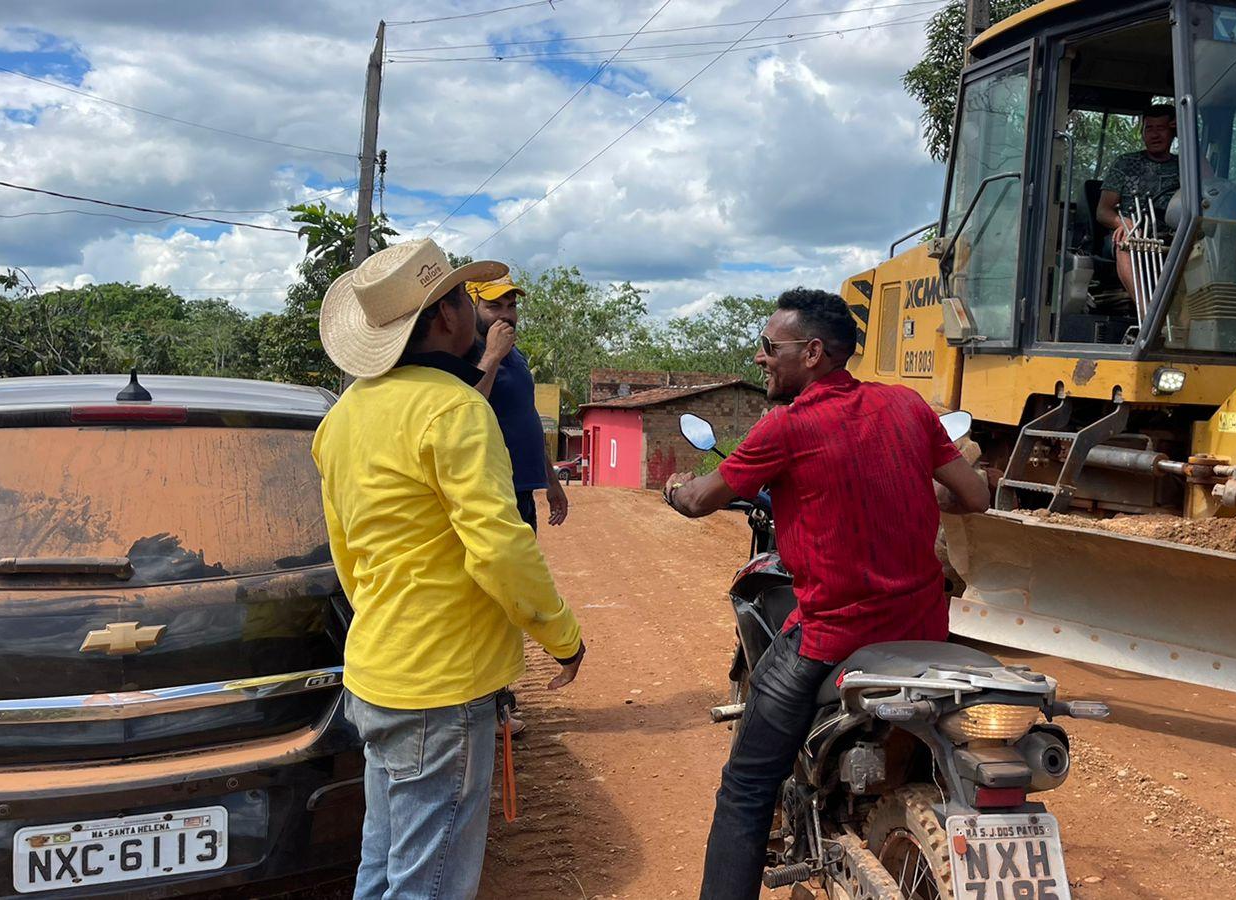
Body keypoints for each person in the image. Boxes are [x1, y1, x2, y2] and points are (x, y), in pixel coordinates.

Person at [662, 287, 991, 900]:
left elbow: (704, 498)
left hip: (834, 637)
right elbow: (974, 497)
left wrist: (675, 491)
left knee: (745, 788)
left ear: (812, 352)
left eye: (768, 347)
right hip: (924, 632)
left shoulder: (785, 426)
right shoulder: (908, 406)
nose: (760, 358)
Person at [312, 238, 586, 900]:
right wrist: (562, 637)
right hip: (442, 687)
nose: (477, 311)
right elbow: (498, 546)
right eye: (465, 297)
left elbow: (347, 554)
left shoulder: (343, 415)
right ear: (444, 318)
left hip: (376, 672)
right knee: (427, 885)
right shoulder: (456, 409)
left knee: (381, 867)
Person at [465, 276, 570, 531]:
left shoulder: (516, 354)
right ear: (472, 306)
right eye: (494, 306)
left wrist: (551, 480)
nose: (506, 315)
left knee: (521, 568)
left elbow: (527, 417)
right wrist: (492, 354)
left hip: (521, 489)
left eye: (511, 306)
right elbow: (465, 413)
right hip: (488, 492)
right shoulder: (468, 354)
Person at [1096, 103, 1180, 304]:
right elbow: (1103, 211)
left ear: (1173, 131)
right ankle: (1146, 312)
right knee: (1127, 242)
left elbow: (1210, 192)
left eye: (1161, 128)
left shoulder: (1186, 165)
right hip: (1132, 231)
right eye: (1149, 128)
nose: (1154, 135)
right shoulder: (1125, 163)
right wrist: (1126, 224)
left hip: (1173, 235)